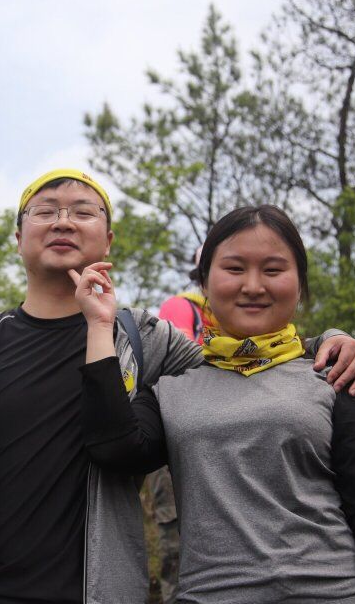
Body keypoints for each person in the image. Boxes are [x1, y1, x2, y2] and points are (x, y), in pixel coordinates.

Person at [0, 170, 355, 604]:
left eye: (83, 212)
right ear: (19, 238)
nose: (63, 222)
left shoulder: (145, 339)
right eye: (46, 211)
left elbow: (242, 362)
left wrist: (325, 343)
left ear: (108, 241)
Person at [73, 204, 355, 603]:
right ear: (204, 283)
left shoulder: (337, 374)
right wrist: (100, 326)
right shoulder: (172, 391)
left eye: (273, 270)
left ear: (300, 285)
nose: (253, 286)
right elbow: (113, 447)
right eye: (234, 269)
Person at [147, 248, 210, 604]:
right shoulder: (181, 307)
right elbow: (182, 366)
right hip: (176, 439)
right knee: (176, 537)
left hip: (216, 439)